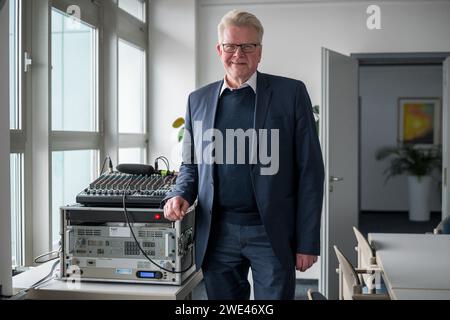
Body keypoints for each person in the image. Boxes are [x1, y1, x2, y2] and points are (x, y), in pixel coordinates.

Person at [162, 9, 324, 300]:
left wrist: (308, 241)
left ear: (260, 51)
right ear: (219, 49)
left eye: (248, 46)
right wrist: (180, 194)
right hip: (217, 232)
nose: (239, 53)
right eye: (231, 46)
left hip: (271, 232)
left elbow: (310, 171)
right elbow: (190, 164)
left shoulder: (291, 94)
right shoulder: (197, 100)